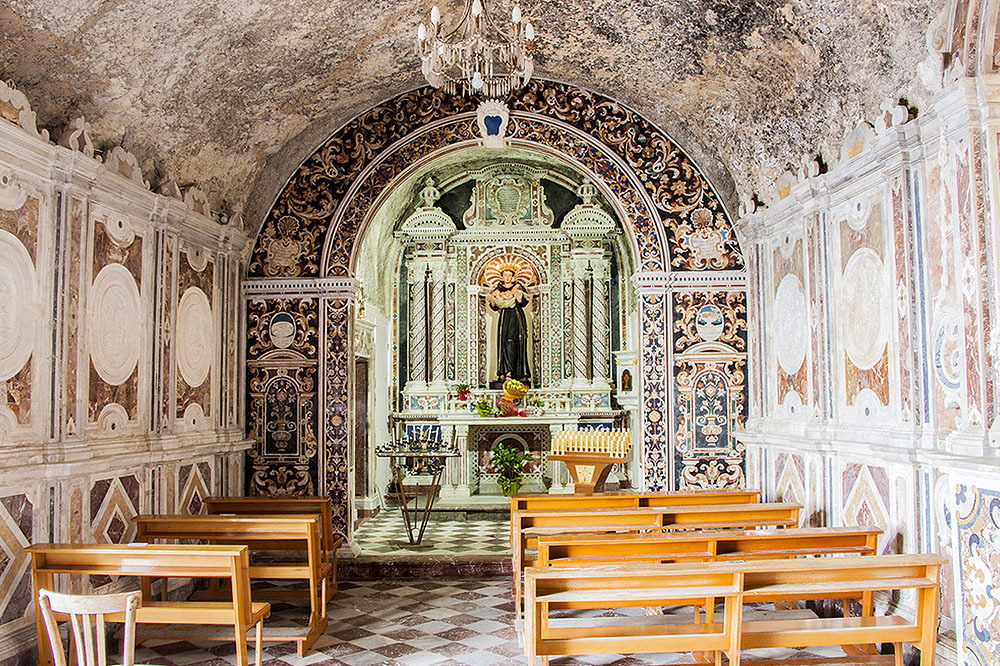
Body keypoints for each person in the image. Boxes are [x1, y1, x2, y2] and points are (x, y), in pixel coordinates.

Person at [487, 269, 530, 383]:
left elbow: (522, 301)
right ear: (502, 277)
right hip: (504, 317)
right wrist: (493, 299)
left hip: (516, 316)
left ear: (513, 277)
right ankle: (502, 371)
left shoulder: (518, 287)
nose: (507, 277)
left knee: (512, 342)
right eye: (505, 275)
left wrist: (517, 294)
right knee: (503, 343)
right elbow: (494, 306)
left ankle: (512, 372)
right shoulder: (498, 289)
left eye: (509, 275)